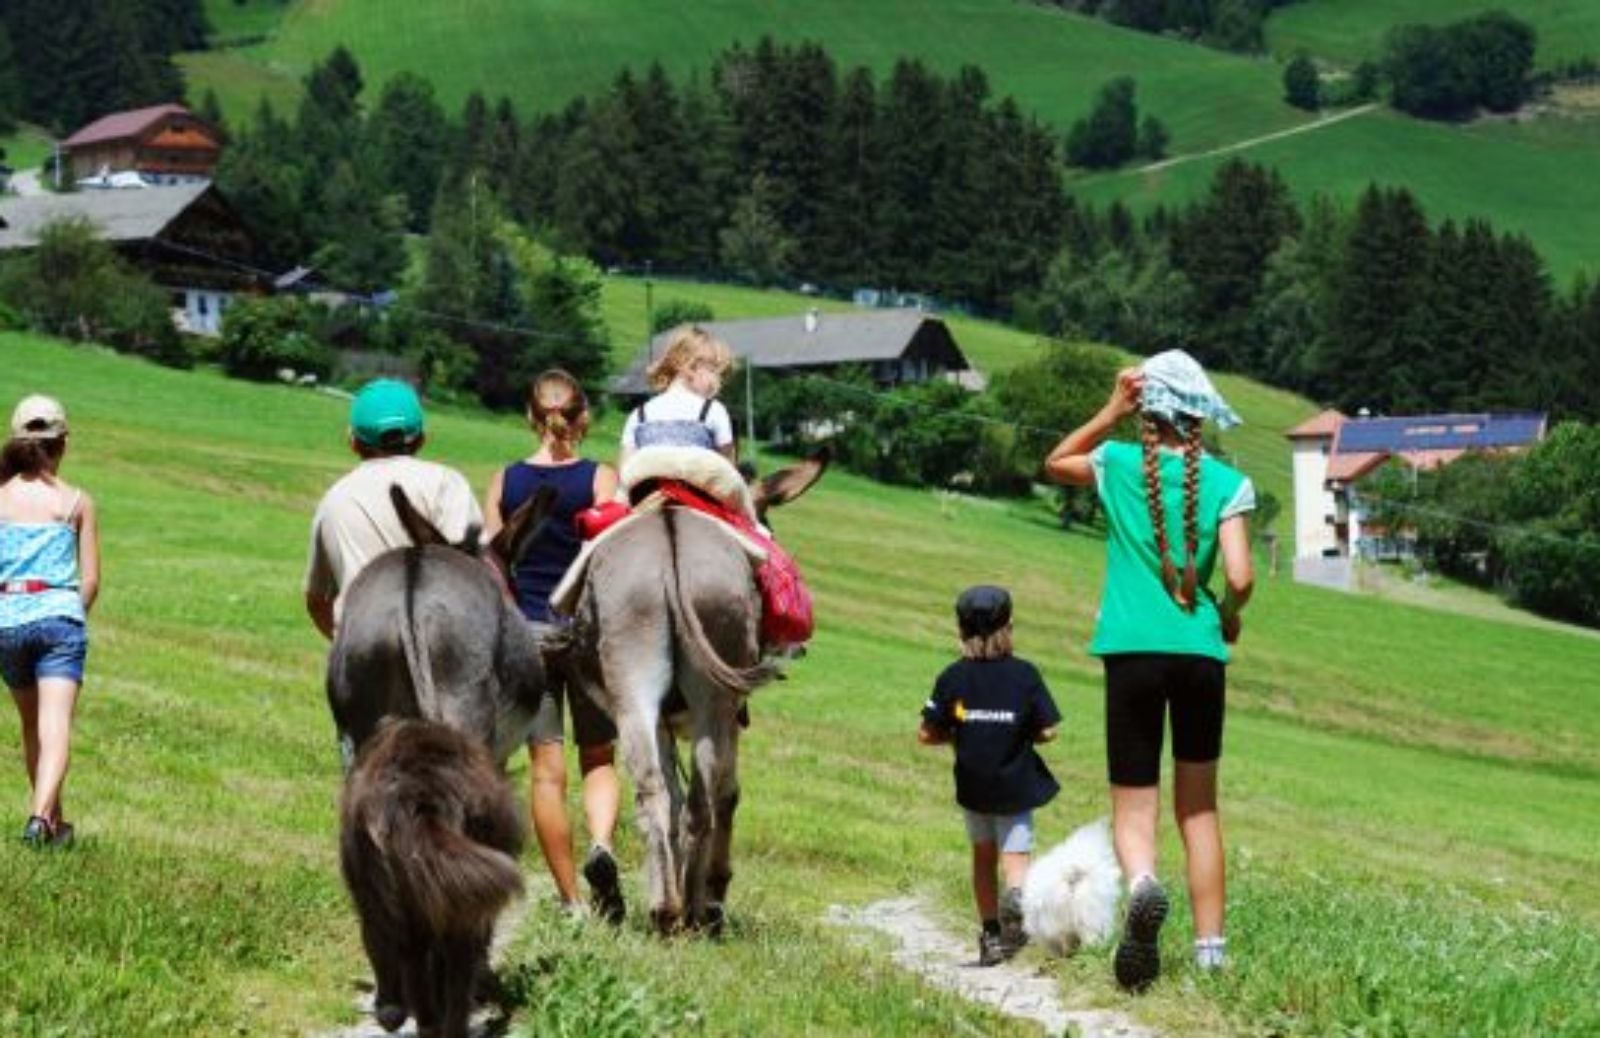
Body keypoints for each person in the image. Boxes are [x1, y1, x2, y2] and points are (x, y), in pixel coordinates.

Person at [1043, 350, 1256, 991]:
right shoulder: (1226, 483)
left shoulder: (1117, 462)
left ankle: (1142, 886)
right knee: (1200, 810)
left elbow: (1055, 462)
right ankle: (1211, 954)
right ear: (1197, 414)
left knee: (1135, 805)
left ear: (1147, 410)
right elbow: (1241, 576)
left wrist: (1111, 409)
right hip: (1199, 657)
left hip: (1131, 652)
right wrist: (1230, 614)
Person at [482, 370, 625, 922]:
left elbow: (491, 561)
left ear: (530, 417)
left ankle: (571, 903)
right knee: (598, 756)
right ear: (583, 416)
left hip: (527, 635)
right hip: (586, 635)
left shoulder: (504, 482)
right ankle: (603, 844)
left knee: (546, 769)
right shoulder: (600, 479)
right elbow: (609, 556)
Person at [919, 585, 1061, 967]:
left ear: (961, 630)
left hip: (973, 786)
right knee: (1014, 859)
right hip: (1014, 785)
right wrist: (1016, 731)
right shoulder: (1025, 675)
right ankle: (1016, 898)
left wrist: (962, 732)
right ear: (1009, 626)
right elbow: (1048, 731)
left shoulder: (952, 677)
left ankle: (991, 935)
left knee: (983, 856)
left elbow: (926, 732)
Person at [304, 378, 482, 642]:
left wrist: (351, 648)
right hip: (439, 643)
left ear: (352, 441)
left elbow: (317, 600)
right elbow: (475, 573)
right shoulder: (446, 483)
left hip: (362, 643)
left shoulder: (334, 499)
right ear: (421, 439)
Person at [2, 395, 100, 848]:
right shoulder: (77, 501)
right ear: (63, 443)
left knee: (31, 727)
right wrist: (68, 616)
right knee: (55, 724)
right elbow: (91, 580)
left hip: (9, 622)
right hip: (59, 618)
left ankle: (54, 826)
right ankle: (41, 819)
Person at [618, 325, 738, 474]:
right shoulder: (713, 411)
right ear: (689, 367)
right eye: (713, 371)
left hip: (647, 496)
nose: (718, 383)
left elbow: (625, 476)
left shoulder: (638, 416)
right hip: (696, 496)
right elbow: (729, 476)